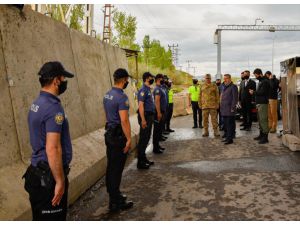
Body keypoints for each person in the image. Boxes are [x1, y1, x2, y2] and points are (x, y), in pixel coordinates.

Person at [23, 61, 74, 220]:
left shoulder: (37, 103)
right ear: (56, 81)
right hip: (48, 179)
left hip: (37, 172)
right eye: (63, 78)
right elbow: (53, 148)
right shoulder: (53, 107)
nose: (65, 82)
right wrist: (59, 181)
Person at [103, 68, 134, 212]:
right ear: (123, 80)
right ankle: (115, 202)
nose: (128, 82)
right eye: (127, 79)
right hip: (118, 136)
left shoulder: (107, 95)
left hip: (109, 133)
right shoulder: (121, 97)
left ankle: (114, 195)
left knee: (111, 167)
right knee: (116, 168)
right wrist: (128, 139)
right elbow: (124, 120)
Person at [136, 72, 155, 169]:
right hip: (145, 117)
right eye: (151, 77)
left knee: (147, 138)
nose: (153, 79)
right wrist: (143, 120)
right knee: (143, 139)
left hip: (149, 116)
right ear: (147, 78)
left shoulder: (148, 89)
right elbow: (140, 105)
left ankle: (143, 158)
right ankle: (140, 162)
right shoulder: (143, 90)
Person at [251, 68, 270, 144]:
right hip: (259, 103)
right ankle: (261, 135)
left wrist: (254, 92)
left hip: (263, 103)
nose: (255, 76)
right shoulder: (261, 81)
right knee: (260, 120)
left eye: (256, 75)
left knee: (263, 120)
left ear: (260, 74)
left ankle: (265, 138)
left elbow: (262, 92)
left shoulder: (265, 81)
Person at [220, 74, 238, 145]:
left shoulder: (233, 87)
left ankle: (230, 139)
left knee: (230, 125)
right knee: (225, 125)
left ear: (230, 79)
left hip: (230, 109)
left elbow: (235, 98)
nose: (225, 80)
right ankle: (227, 137)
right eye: (224, 78)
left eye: (226, 78)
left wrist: (233, 108)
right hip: (224, 109)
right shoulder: (224, 87)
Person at [152, 74, 167, 154]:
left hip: (162, 111)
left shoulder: (160, 88)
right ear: (158, 79)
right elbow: (157, 101)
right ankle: (155, 148)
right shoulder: (157, 89)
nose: (163, 80)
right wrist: (158, 113)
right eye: (162, 78)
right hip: (159, 112)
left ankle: (157, 145)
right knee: (157, 130)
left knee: (159, 130)